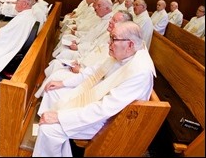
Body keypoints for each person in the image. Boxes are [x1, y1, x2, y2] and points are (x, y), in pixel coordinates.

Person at [32, 21, 156, 157]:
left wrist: (61, 117)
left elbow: (106, 109)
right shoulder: (124, 54)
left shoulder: (139, 71)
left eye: (113, 39)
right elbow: (94, 72)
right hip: (100, 106)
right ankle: (49, 134)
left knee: (50, 130)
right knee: (55, 93)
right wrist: (64, 83)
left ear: (130, 44)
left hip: (109, 121)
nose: (109, 42)